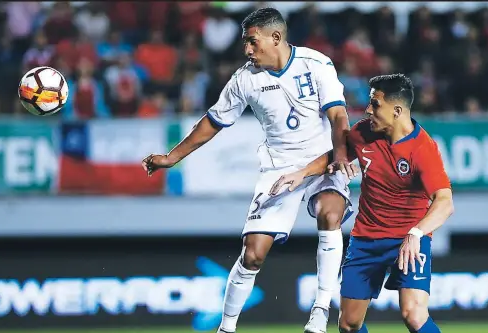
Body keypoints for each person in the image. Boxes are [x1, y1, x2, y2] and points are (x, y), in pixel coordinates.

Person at [143, 7, 356, 333]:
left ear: (275, 37)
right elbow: (213, 121)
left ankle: (320, 310)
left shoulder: (315, 65)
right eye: (246, 43)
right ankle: (226, 328)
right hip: (278, 168)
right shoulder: (245, 79)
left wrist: (340, 155)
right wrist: (173, 157)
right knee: (253, 254)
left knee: (331, 213)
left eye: (252, 42)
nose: (247, 50)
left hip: (323, 160)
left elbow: (339, 116)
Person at [271, 74, 455, 333]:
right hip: (366, 239)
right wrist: (302, 173)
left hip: (409, 240)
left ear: (397, 110)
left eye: (375, 104)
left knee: (414, 314)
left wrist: (416, 233)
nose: (368, 110)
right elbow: (336, 154)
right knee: (348, 324)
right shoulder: (363, 133)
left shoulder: (423, 149)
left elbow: (445, 202)